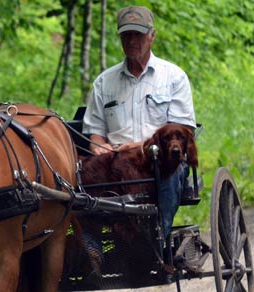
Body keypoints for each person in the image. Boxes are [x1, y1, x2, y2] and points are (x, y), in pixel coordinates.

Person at [82, 5, 196, 239]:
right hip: (116, 163)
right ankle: (90, 249)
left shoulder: (173, 77)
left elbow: (181, 132)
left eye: (138, 34)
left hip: (160, 162)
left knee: (171, 173)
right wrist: (100, 148)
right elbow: (95, 132)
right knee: (84, 179)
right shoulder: (104, 83)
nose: (132, 40)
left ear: (152, 36)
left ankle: (158, 239)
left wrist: (137, 147)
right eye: (126, 35)